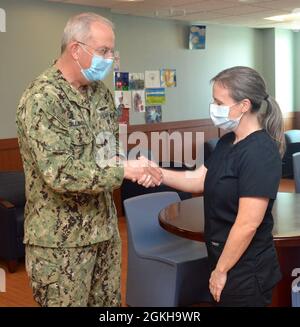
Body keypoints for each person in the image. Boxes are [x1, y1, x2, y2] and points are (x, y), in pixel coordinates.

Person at [16, 12, 162, 307]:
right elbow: (59, 173)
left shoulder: (100, 94)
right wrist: (125, 170)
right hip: (60, 244)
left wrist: (131, 164)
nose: (109, 59)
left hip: (104, 232)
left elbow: (110, 151)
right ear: (75, 49)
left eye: (112, 51)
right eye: (104, 51)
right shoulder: (42, 98)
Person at [139, 66, 285, 306]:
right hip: (222, 259)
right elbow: (197, 180)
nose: (213, 107)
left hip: (246, 270)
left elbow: (248, 223)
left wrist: (221, 271)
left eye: (218, 101)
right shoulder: (228, 141)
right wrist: (155, 172)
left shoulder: (260, 152)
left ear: (244, 105)